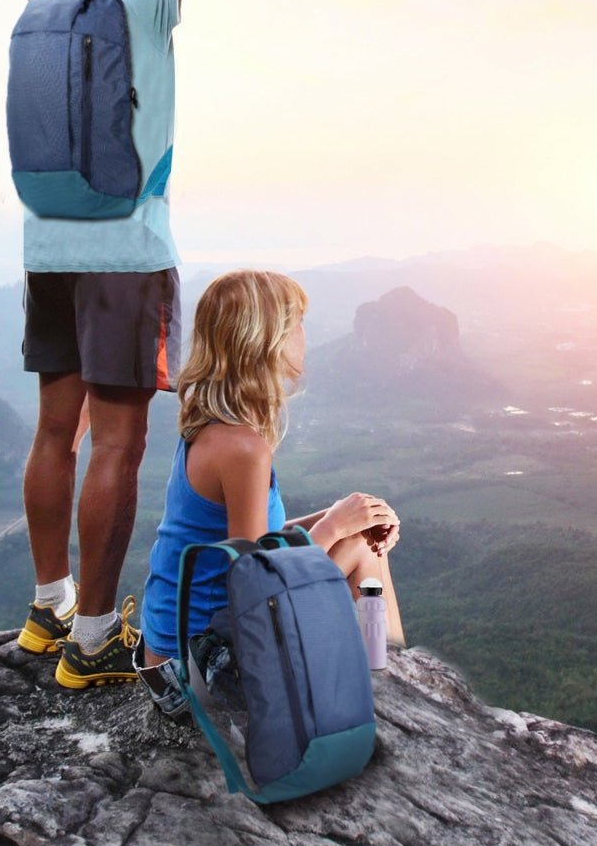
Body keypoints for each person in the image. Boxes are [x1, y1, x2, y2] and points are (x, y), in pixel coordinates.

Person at [0, 0, 344, 690]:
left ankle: (47, 605)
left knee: (52, 431)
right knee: (117, 442)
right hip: (124, 255)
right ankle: (96, 638)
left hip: (46, 246)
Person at [136, 270, 404, 721]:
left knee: (359, 538)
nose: (304, 336)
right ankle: (394, 677)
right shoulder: (244, 449)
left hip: (172, 657)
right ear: (266, 342)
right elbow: (255, 586)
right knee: (362, 550)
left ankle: (386, 672)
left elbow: (254, 544)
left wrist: (340, 516)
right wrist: (336, 526)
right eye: (295, 324)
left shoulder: (210, 424)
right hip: (200, 672)